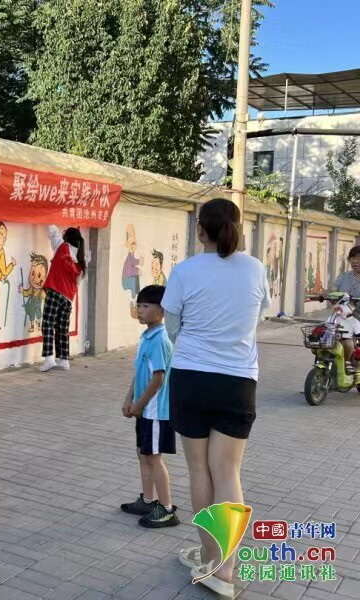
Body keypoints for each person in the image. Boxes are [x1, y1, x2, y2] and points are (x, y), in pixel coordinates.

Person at [161, 198, 270, 599]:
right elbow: (257, 318)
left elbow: (172, 327)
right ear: (238, 228)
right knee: (227, 473)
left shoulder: (185, 270)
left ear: (200, 230)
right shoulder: (256, 268)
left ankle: (210, 558)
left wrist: (196, 345)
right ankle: (226, 569)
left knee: (199, 471)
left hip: (191, 378)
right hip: (238, 381)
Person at [120, 285, 178, 528]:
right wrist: (129, 399)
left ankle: (166, 509)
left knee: (154, 458)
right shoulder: (147, 336)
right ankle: (147, 500)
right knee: (143, 454)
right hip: (144, 409)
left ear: (162, 310)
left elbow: (158, 378)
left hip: (155, 411)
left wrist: (140, 405)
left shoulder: (161, 339)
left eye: (146, 306)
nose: (140, 310)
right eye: (139, 305)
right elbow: (141, 371)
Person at [40, 226, 86, 372]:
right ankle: (64, 360)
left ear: (67, 237)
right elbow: (77, 282)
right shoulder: (81, 260)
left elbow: (52, 230)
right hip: (68, 298)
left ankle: (49, 359)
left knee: (48, 324)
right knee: (62, 328)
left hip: (55, 291)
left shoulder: (62, 246)